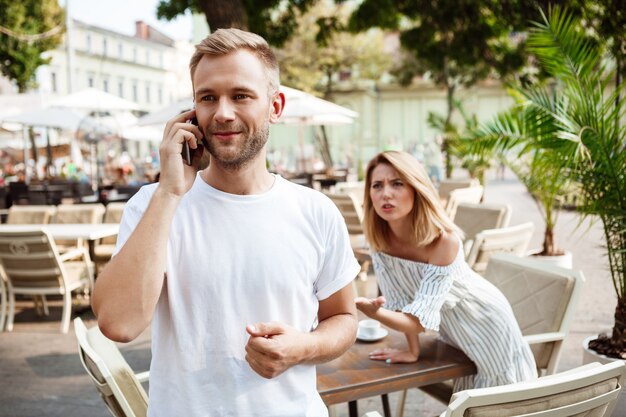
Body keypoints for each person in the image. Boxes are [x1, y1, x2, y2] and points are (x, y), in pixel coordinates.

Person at [92, 28, 360, 417]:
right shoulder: (153, 205)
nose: (222, 113)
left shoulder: (316, 211)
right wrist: (169, 192)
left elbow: (343, 318)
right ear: (191, 112)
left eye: (241, 95)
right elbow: (118, 324)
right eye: (207, 97)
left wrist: (302, 346)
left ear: (275, 106)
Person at [355, 150, 537, 392]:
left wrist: (373, 313)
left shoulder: (444, 241)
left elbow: (417, 322)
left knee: (496, 401)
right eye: (377, 185)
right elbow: (401, 302)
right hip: (455, 334)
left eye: (397, 183)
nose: (385, 193)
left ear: (416, 189)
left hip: (486, 322)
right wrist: (412, 350)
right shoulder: (380, 241)